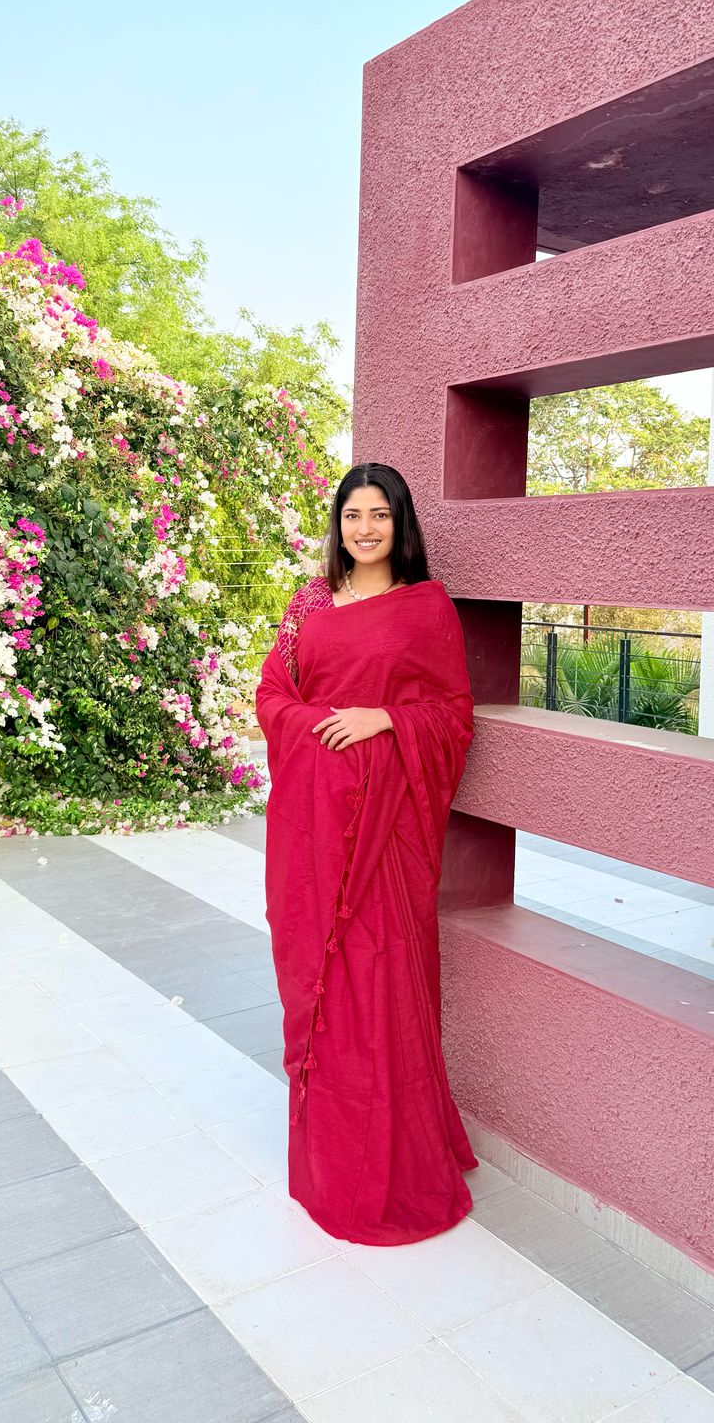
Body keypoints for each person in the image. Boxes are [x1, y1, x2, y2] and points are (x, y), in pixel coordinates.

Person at [255, 461, 479, 1246]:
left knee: (379, 979)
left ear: (400, 524)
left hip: (387, 835)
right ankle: (331, 1155)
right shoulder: (309, 605)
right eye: (353, 514)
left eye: (379, 514)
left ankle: (391, 1161)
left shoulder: (426, 609)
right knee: (321, 976)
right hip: (316, 830)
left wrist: (385, 722)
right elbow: (271, 695)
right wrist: (321, 739)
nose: (365, 528)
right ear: (338, 524)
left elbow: (451, 714)